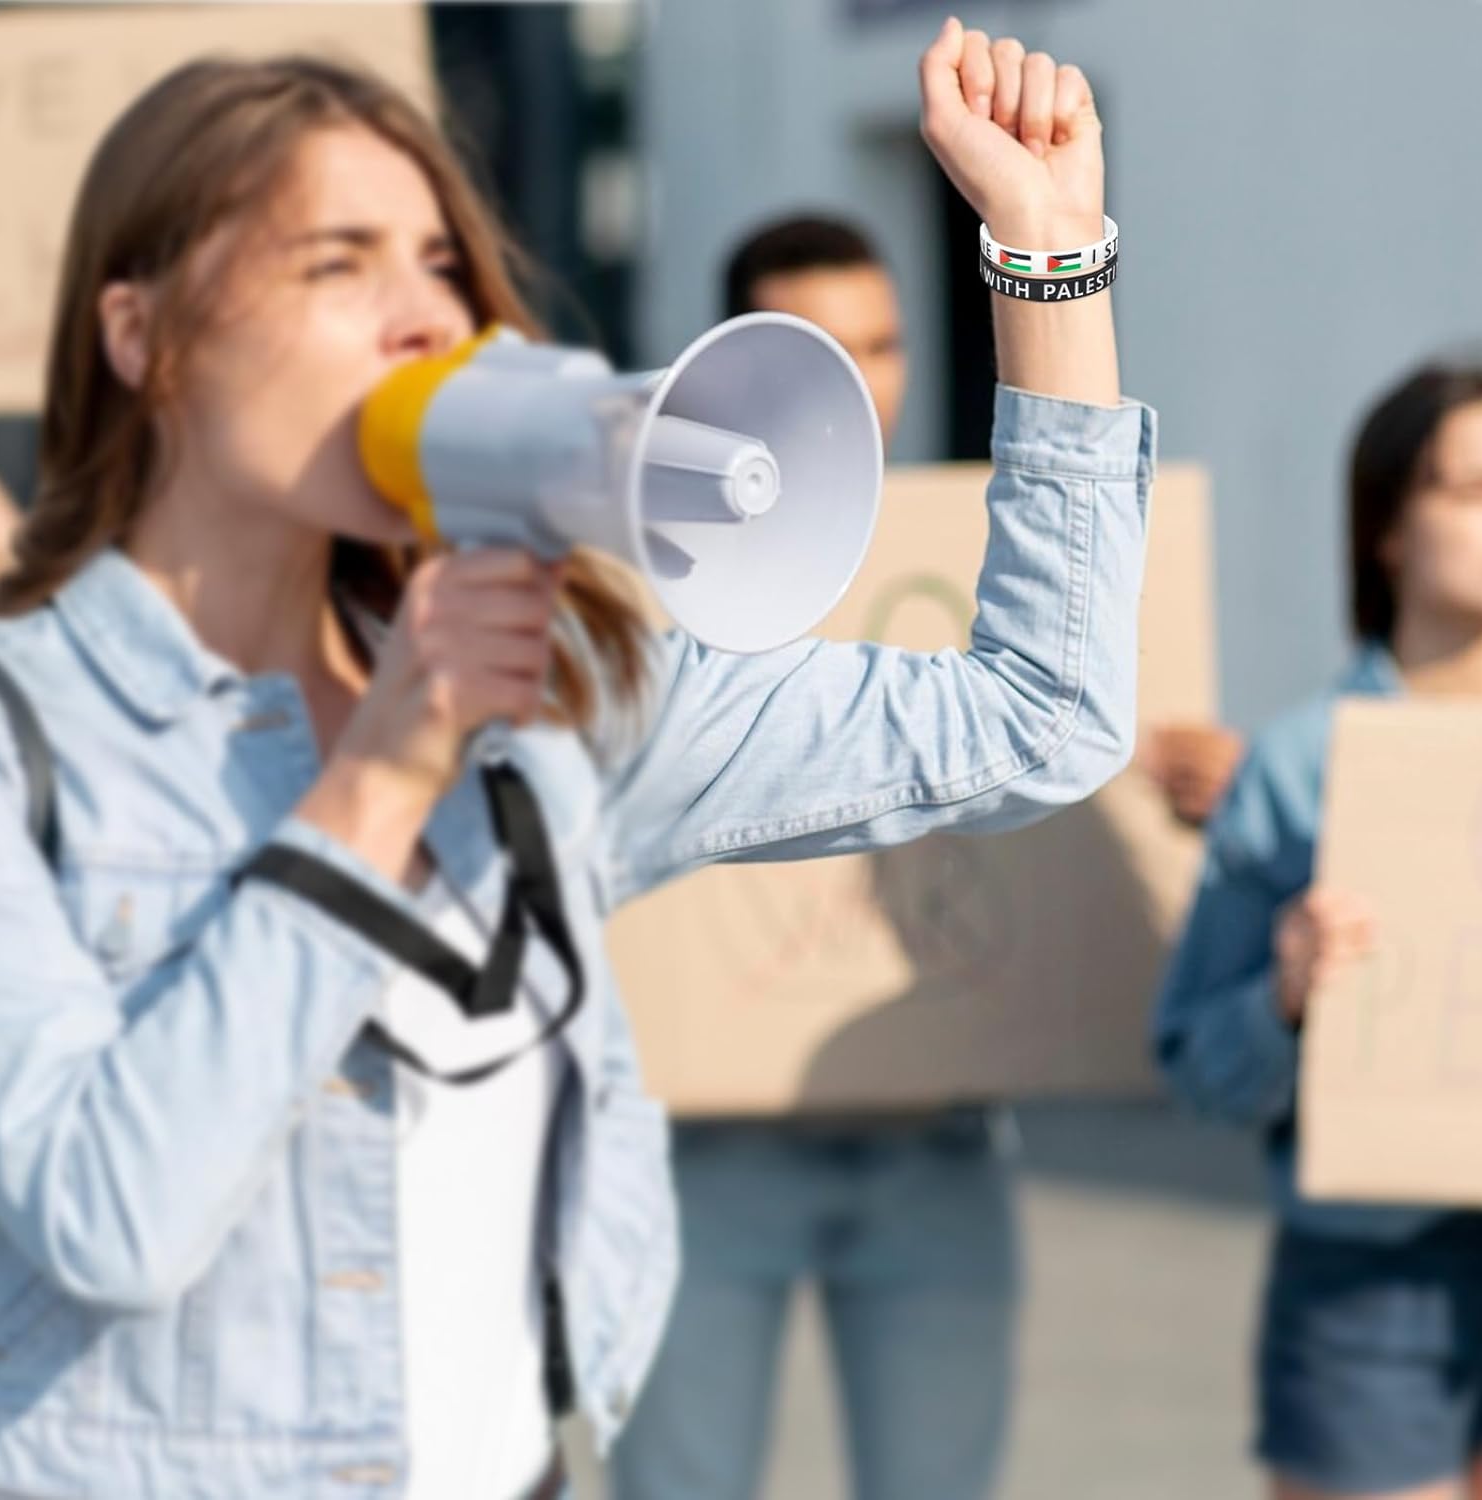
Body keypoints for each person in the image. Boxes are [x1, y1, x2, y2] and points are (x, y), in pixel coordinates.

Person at [0, 20, 1151, 1500]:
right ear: (139, 334)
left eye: (437, 264)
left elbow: (1042, 716)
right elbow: (113, 1219)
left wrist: (1049, 258)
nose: (416, 316)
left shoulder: (556, 701)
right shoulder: (37, 735)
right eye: (336, 263)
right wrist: (382, 777)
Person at [612, 212, 1025, 1500]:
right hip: (705, 1146)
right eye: (822, 346)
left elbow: (1042, 742)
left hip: (937, 1134)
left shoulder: (984, 565)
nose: (865, 376)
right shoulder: (637, 578)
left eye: (886, 341)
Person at [1155, 361, 1482, 1500]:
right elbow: (1198, 1065)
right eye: (1477, 488)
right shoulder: (1302, 769)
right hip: (1368, 1283)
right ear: (1390, 525)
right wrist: (1284, 1000)